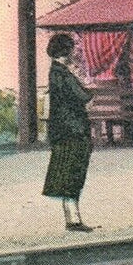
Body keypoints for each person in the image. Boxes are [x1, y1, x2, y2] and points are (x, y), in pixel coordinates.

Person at [42, 33, 97, 231]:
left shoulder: (57, 72)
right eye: (73, 47)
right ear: (65, 50)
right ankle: (73, 219)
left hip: (65, 130)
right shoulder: (62, 73)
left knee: (69, 173)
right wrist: (88, 91)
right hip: (72, 130)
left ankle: (73, 217)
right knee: (72, 173)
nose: (76, 51)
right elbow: (82, 96)